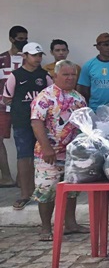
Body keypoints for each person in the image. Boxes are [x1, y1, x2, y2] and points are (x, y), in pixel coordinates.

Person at [30, 60, 88, 240]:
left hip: (71, 153)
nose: (70, 78)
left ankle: (70, 224)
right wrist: (47, 148)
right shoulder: (45, 97)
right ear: (55, 76)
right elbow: (36, 122)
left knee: (71, 189)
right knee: (46, 189)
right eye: (66, 74)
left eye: (73, 74)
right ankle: (46, 228)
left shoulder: (79, 98)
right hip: (48, 154)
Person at [3, 43, 53, 211]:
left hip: (43, 124)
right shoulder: (15, 76)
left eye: (40, 55)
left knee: (45, 156)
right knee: (24, 157)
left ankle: (45, 193)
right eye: (34, 55)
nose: (38, 58)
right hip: (22, 122)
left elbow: (52, 97)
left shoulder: (44, 76)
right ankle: (25, 194)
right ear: (24, 56)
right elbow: (7, 98)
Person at [0, 25, 28, 188]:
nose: (23, 42)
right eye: (20, 39)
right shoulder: (1, 58)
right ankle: (6, 176)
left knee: (24, 140)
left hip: (23, 106)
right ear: (11, 39)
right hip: (2, 106)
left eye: (25, 38)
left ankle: (22, 178)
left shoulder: (29, 58)